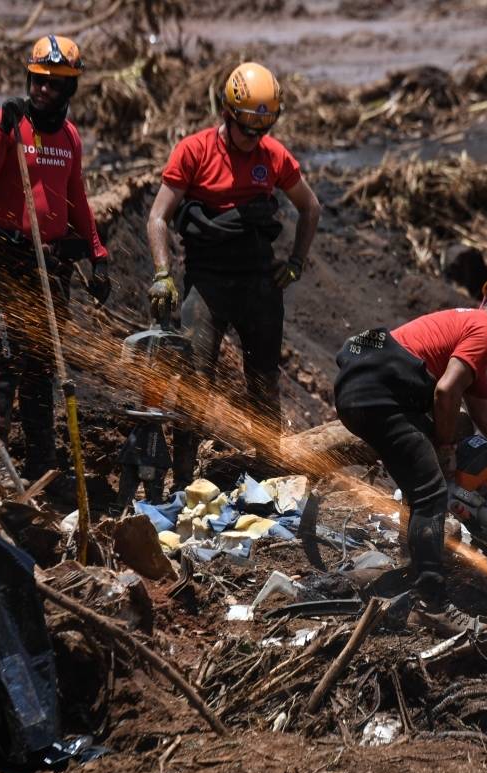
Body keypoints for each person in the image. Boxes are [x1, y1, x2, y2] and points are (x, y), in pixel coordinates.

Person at [334, 274, 487, 629]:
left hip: (362, 387)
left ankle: (416, 567)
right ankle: (433, 605)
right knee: (431, 493)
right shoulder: (486, 331)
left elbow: (484, 415)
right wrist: (446, 446)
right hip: (378, 392)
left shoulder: (467, 326)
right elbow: (445, 392)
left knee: (419, 483)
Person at [146, 61, 322, 487]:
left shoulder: (273, 155)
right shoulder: (194, 151)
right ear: (227, 114)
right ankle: (184, 480)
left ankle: (271, 475)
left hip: (259, 284)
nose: (254, 139)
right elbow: (157, 218)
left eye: (263, 130)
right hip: (207, 284)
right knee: (194, 385)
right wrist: (162, 273)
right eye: (248, 130)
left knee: (263, 384)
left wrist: (295, 262)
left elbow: (310, 207)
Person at [0, 35, 110, 484]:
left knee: (43, 363)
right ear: (29, 78)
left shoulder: (69, 137)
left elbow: (76, 197)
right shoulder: (2, 122)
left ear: (70, 90)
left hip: (48, 265)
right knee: (5, 355)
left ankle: (43, 463)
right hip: (1, 254)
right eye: (39, 81)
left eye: (56, 84)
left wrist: (97, 253)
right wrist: (6, 133)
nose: (44, 91)